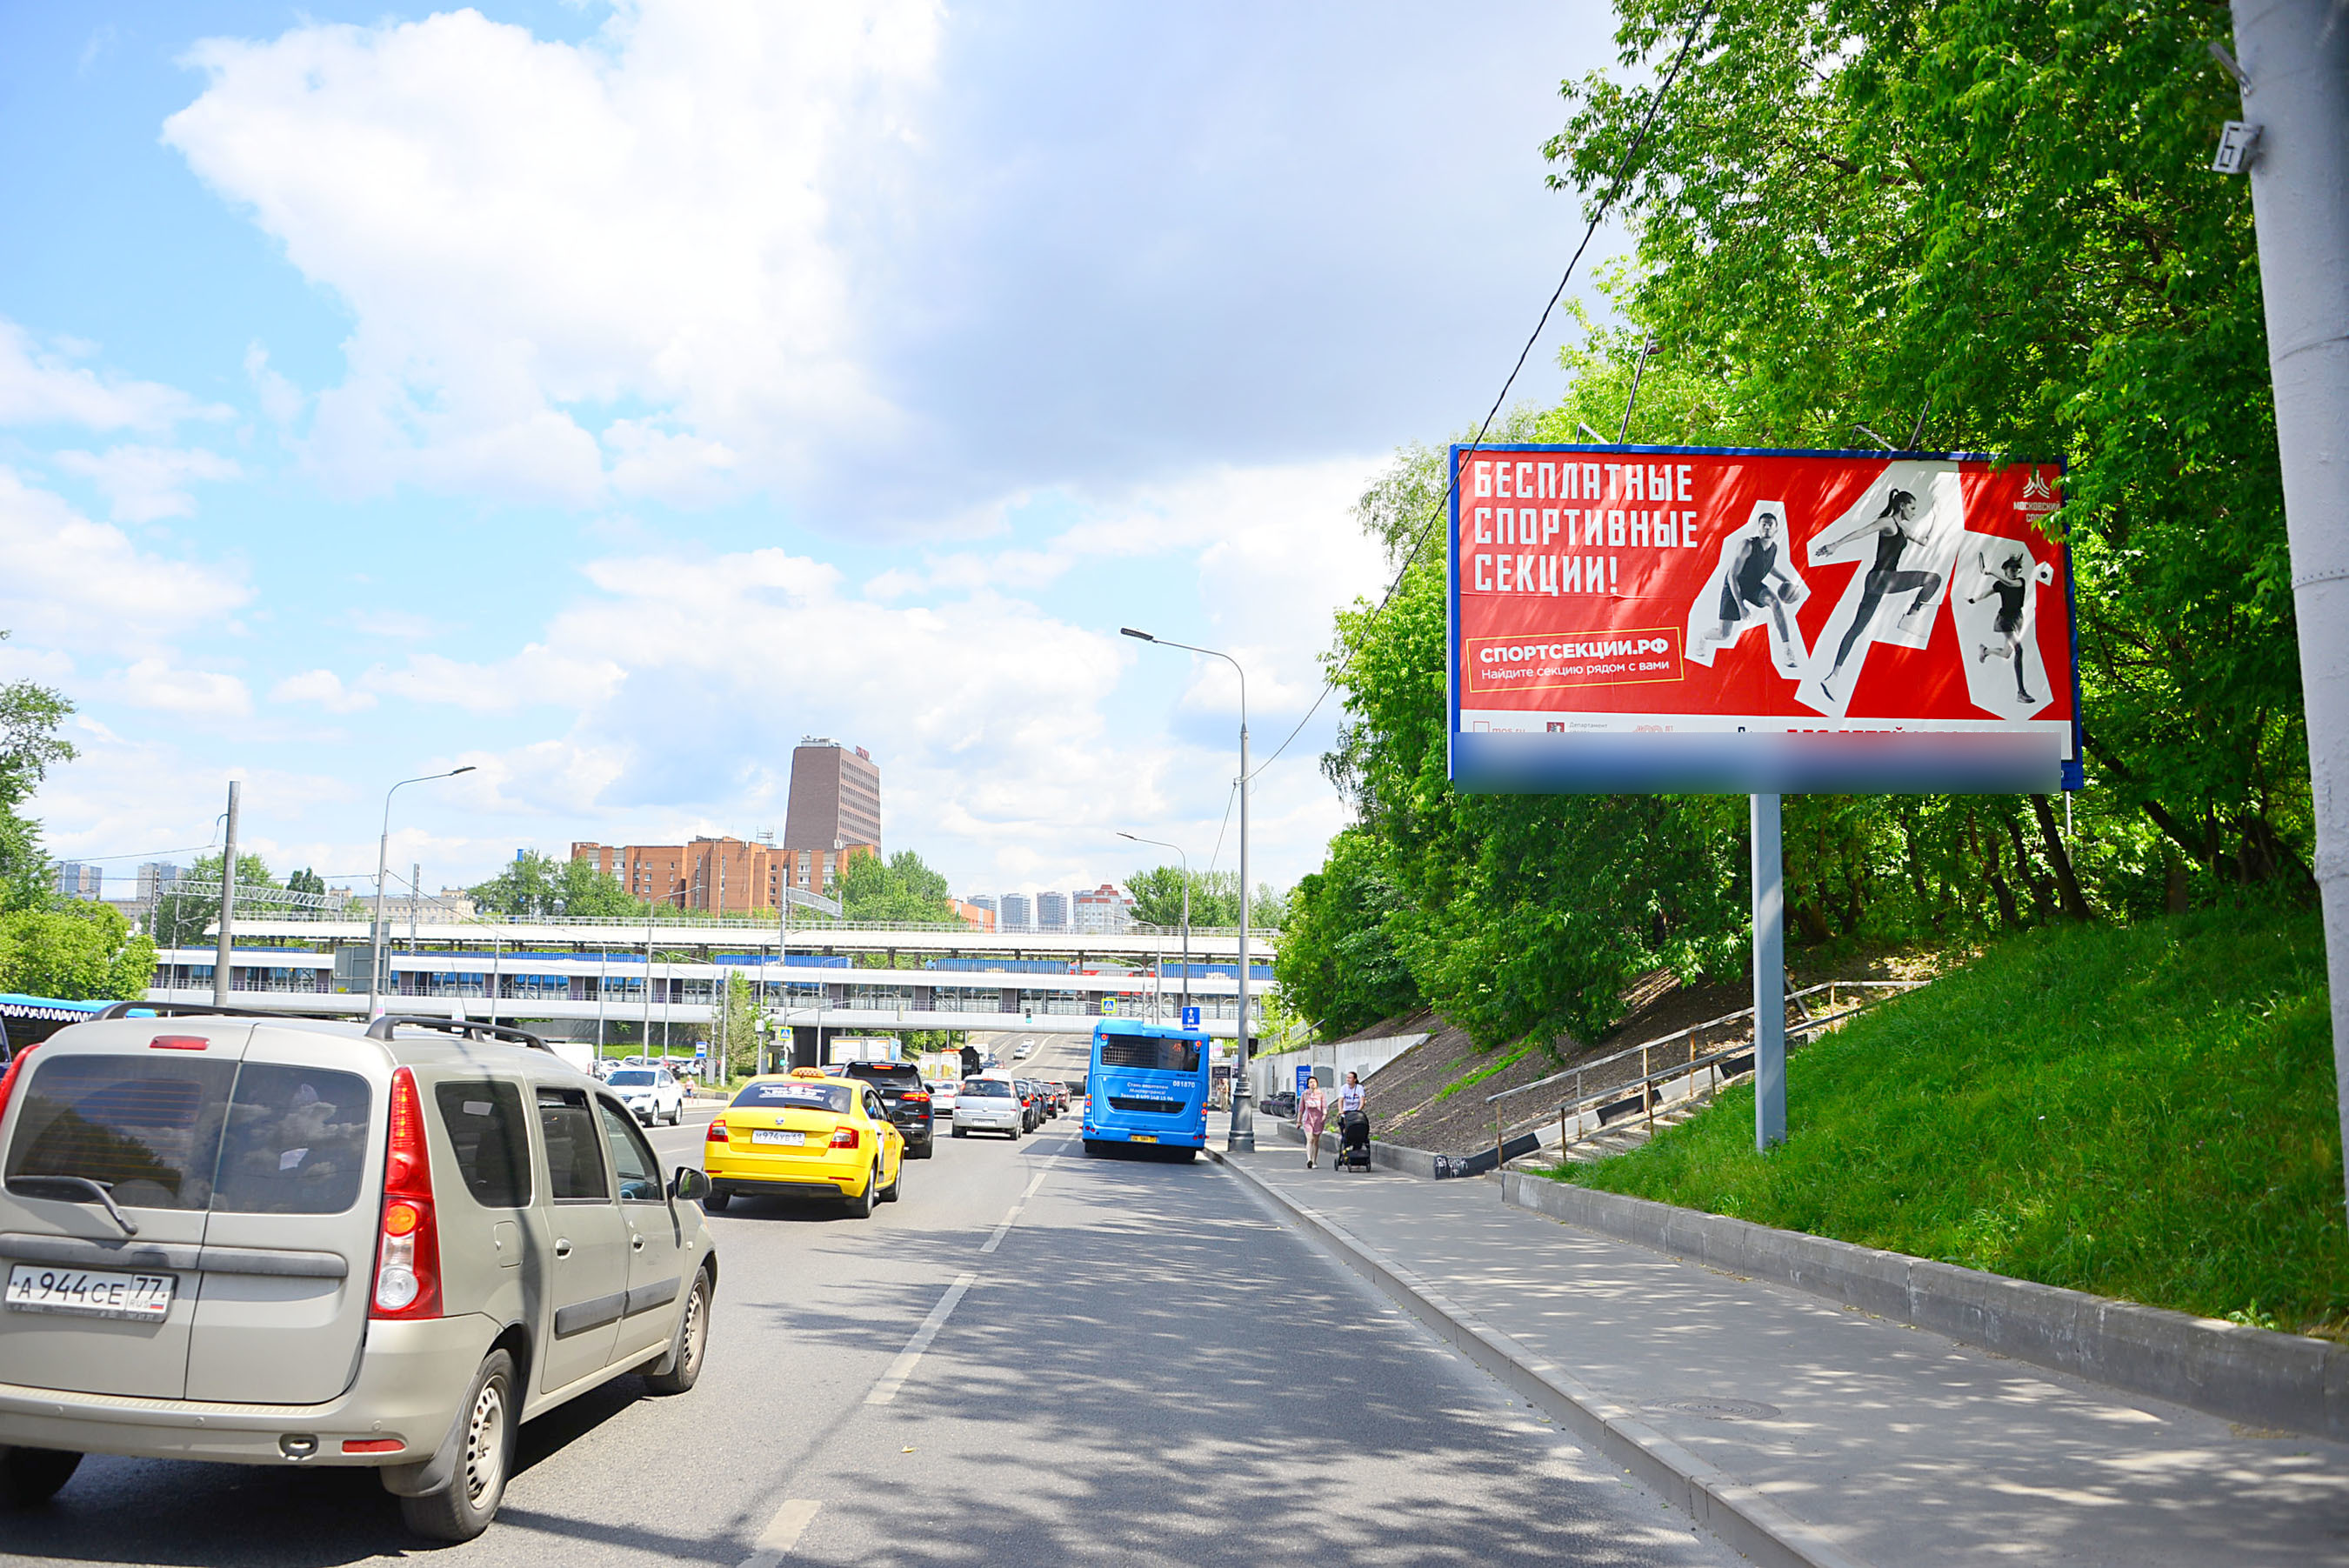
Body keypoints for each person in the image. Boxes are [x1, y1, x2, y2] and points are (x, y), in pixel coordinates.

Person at [1814, 489, 1944, 702]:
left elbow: (1928, 542)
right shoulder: (1887, 523)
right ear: (1902, 505)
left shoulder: (1902, 528)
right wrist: (1835, 545)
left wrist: (1936, 515)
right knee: (1933, 579)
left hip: (1877, 582)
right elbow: (1862, 532)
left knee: (1857, 628)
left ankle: (1833, 677)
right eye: (1912, 508)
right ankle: (1911, 617)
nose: (1913, 513)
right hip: (1881, 578)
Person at [1695, 510, 1807, 671]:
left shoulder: (1773, 548)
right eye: (1764, 524)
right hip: (1734, 585)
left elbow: (1768, 567)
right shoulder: (1747, 545)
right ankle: (1703, 637)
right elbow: (1733, 576)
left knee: (1775, 602)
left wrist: (1786, 581)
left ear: (1776, 529)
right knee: (1724, 634)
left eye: (1770, 524)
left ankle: (1787, 650)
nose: (1767, 527)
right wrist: (1741, 607)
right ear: (1759, 528)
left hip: (1753, 585)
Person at [1967, 545, 2038, 704]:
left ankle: (1985, 651)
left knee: (2007, 654)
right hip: (2005, 619)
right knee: (2019, 650)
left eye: (2016, 569)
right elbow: (1987, 593)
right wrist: (1974, 599)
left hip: (2018, 619)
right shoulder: (2000, 584)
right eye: (2011, 569)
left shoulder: (2020, 582)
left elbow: (2011, 585)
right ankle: (2021, 692)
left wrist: (1991, 571)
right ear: (2005, 570)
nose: (2014, 572)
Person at [1298, 1078, 1328, 1168]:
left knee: (1316, 1141)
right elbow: (1301, 1109)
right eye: (1310, 1082)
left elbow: (1324, 1106)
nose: (1312, 1084)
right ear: (1308, 1084)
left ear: (1317, 1083)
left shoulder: (1321, 1094)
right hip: (1307, 1119)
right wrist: (1298, 1121)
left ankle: (1314, 1161)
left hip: (1318, 1119)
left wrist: (1324, 1115)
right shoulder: (1305, 1094)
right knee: (1310, 1139)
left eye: (1314, 1082)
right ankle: (1309, 1159)